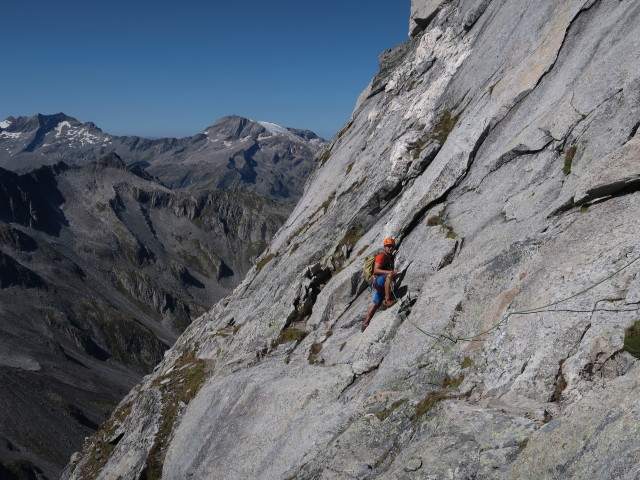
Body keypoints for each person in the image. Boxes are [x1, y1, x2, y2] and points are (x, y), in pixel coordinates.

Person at [361, 237, 399, 331]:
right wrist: (390, 273)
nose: (390, 248)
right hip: (377, 280)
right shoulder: (381, 256)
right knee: (389, 275)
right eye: (388, 246)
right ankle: (388, 300)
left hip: (381, 283)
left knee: (375, 304)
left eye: (392, 246)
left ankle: (365, 324)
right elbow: (376, 270)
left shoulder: (390, 257)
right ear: (384, 247)